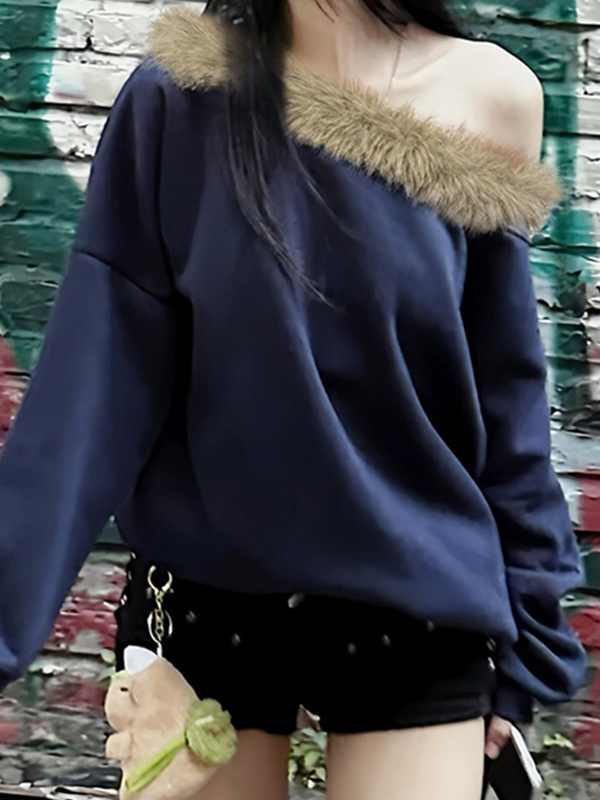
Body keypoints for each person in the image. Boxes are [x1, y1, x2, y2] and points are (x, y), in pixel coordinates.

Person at [0, 0, 587, 797]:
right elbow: (91, 389)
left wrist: (527, 642)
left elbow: (505, 400)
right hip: (208, 600)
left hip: (417, 604)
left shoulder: (490, 96)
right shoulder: (182, 92)